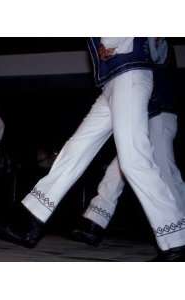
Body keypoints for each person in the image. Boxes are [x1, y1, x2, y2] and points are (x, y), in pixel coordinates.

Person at [0, 38, 185, 261]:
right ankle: (31, 218)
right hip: (115, 81)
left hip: (130, 75)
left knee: (134, 160)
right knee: (76, 148)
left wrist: (111, 41)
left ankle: (176, 239)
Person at [71, 39, 185, 251]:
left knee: (163, 170)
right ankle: (94, 222)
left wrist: (116, 45)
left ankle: (179, 231)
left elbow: (156, 54)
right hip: (149, 110)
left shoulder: (158, 43)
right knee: (124, 164)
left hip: (161, 112)